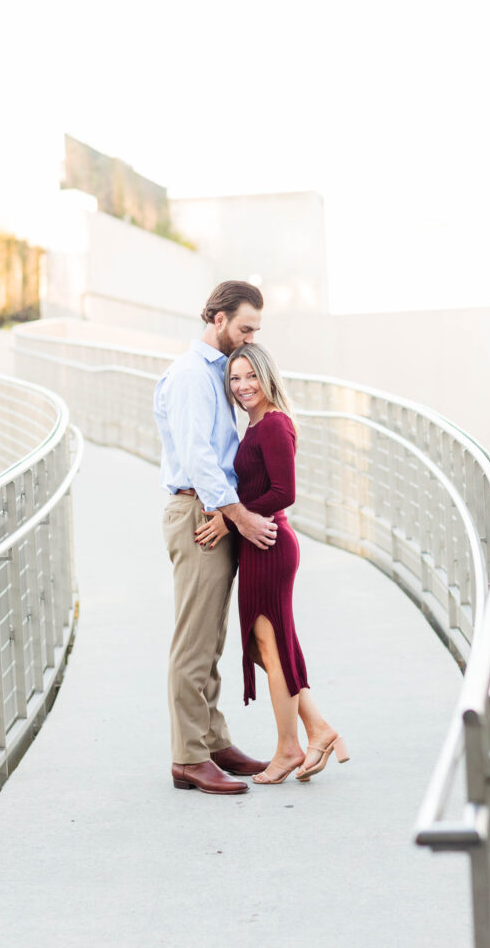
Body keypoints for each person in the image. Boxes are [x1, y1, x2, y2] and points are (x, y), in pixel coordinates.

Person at [195, 343, 350, 784]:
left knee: (272, 647)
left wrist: (230, 518)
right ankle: (318, 728)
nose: (243, 386)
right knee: (270, 648)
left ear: (267, 377)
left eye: (251, 377)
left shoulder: (275, 424)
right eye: (235, 379)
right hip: (261, 543)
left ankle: (288, 750)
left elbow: (285, 492)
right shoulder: (256, 425)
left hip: (270, 544)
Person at [153, 280, 278, 795]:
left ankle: (213, 740)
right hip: (199, 512)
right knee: (193, 641)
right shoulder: (189, 376)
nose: (249, 338)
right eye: (245, 327)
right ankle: (188, 757)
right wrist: (239, 516)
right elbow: (199, 456)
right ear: (219, 318)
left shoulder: (217, 373)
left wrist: (233, 514)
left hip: (215, 512)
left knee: (213, 638)